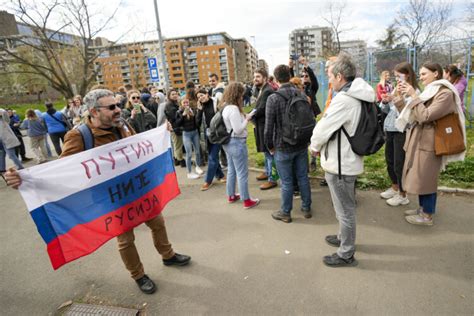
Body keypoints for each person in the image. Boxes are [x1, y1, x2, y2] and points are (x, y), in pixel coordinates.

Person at [4, 89, 191, 295]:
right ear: (93, 111)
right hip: (112, 199)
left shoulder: (124, 124)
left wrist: (162, 132)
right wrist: (24, 178)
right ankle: (138, 275)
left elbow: (139, 147)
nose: (118, 110)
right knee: (126, 239)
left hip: (140, 189)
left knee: (158, 223)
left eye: (118, 105)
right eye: (111, 107)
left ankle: (168, 255)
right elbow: (61, 171)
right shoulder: (78, 136)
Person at [310, 53, 375, 267]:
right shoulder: (359, 96)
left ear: (339, 76)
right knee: (343, 208)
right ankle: (343, 237)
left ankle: (346, 253)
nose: (328, 80)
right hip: (347, 160)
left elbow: (322, 130)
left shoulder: (345, 100)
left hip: (340, 164)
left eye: (329, 75)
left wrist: (314, 147)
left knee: (345, 210)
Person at [399, 62, 466, 226]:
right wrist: (397, 99)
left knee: (427, 179)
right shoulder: (430, 91)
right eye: (420, 74)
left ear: (436, 73)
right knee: (421, 177)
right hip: (420, 140)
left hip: (431, 143)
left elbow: (425, 116)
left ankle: (427, 216)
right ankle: (422, 208)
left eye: (424, 74)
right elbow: (413, 113)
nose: (420, 77)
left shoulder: (445, 94)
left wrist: (414, 96)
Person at [265, 65, 312, 223]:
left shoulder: (273, 98)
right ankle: (306, 208)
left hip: (283, 145)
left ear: (276, 79)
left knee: (286, 182)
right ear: (289, 76)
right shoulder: (301, 93)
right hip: (301, 142)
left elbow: (268, 127)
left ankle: (286, 212)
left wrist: (269, 145)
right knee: (303, 177)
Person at [379, 62, 419, 206]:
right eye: (395, 76)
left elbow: (409, 113)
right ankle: (395, 187)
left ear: (407, 74)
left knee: (399, 163)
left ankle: (403, 194)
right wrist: (386, 101)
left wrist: (398, 100)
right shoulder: (397, 88)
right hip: (390, 128)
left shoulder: (414, 91)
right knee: (390, 160)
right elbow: (390, 109)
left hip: (402, 130)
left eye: (398, 75)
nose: (396, 79)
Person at [221, 82, 260, 209]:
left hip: (228, 143)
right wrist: (247, 119)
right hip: (237, 143)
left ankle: (231, 195)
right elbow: (238, 129)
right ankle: (247, 200)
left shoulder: (226, 107)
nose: (243, 96)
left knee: (232, 170)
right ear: (237, 94)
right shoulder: (233, 109)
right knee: (242, 173)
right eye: (241, 94)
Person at [252, 68, 278, 190]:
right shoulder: (262, 89)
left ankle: (272, 179)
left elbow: (261, 109)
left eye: (258, 77)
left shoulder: (268, 91)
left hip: (265, 125)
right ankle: (267, 172)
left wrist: (250, 115)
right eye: (254, 77)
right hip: (261, 125)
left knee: (269, 153)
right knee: (266, 152)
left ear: (265, 78)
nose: (255, 79)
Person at [196, 89, 226, 191]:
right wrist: (199, 111)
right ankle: (221, 175)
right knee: (212, 156)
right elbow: (197, 123)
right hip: (207, 136)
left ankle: (207, 181)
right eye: (198, 97)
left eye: (202, 95)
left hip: (217, 134)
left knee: (212, 157)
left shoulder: (215, 102)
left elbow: (222, 115)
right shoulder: (201, 107)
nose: (200, 98)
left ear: (207, 94)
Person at [176, 98, 204, 179]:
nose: (186, 104)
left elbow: (197, 122)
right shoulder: (179, 112)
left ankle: (198, 167)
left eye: (187, 102)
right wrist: (183, 115)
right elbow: (177, 123)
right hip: (186, 134)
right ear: (181, 104)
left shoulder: (193, 110)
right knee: (189, 153)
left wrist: (198, 111)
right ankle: (189, 172)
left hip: (195, 133)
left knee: (198, 151)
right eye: (184, 103)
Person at [164, 89, 185, 167]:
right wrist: (182, 113)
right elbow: (174, 118)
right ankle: (180, 160)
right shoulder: (169, 105)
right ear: (169, 96)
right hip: (175, 128)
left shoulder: (174, 103)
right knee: (178, 145)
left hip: (175, 127)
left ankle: (177, 160)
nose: (175, 95)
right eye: (173, 94)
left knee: (177, 144)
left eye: (176, 94)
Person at [0, 109, 24, 173]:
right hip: (1, 142)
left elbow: (4, 113)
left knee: (11, 155)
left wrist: (1, 112)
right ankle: (2, 169)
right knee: (1, 155)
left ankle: (20, 167)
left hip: (7, 140)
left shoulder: (4, 121)